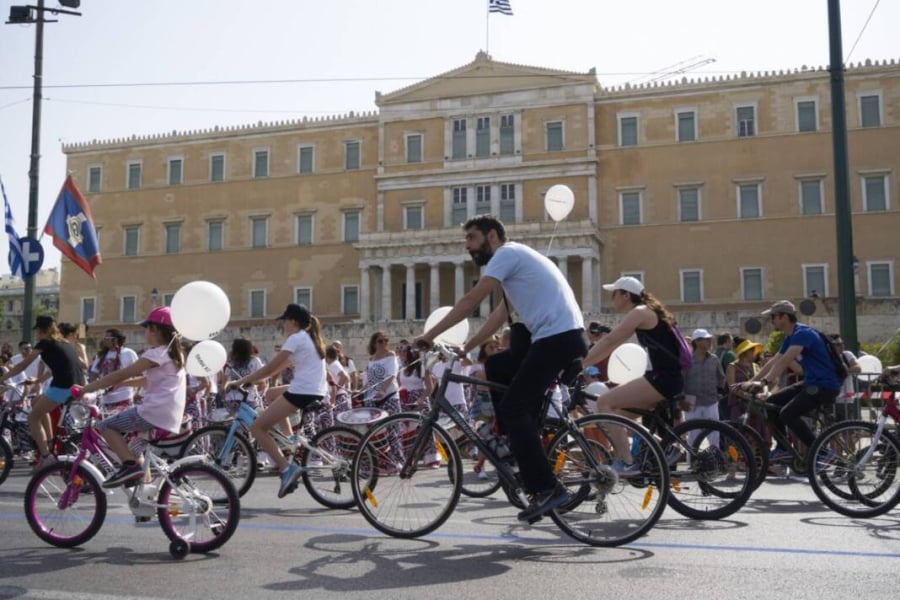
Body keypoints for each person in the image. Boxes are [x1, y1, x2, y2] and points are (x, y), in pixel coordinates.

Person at [416, 214, 586, 522]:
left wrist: (429, 336)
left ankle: (548, 488)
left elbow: (470, 300)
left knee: (513, 408)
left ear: (492, 235)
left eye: (472, 238)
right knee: (495, 364)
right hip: (557, 338)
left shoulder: (507, 254)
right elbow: (497, 316)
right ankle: (516, 443)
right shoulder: (515, 261)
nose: (468, 246)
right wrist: (466, 348)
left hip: (557, 339)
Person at [70, 307, 186, 487]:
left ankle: (130, 468)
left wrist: (85, 388)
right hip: (168, 414)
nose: (145, 333)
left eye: (146, 329)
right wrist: (123, 384)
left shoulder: (156, 353)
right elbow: (148, 380)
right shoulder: (171, 355)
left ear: (154, 330)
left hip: (153, 412)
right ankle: (144, 496)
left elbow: (120, 374)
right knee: (134, 451)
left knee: (105, 425)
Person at [224, 304, 328, 498]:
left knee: (256, 428)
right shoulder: (309, 339)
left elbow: (270, 366)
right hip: (314, 390)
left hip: (302, 392)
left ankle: (286, 468)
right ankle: (289, 442)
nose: (283, 325)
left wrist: (240, 381)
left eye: (285, 321)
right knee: (271, 394)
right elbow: (273, 371)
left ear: (293, 321)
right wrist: (253, 379)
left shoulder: (295, 338)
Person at [581, 276, 685, 470]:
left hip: (662, 379)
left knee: (604, 402)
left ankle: (627, 463)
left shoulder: (639, 312)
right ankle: (667, 447)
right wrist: (587, 360)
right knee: (617, 416)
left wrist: (582, 362)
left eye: (614, 294)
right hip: (666, 378)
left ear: (626, 295)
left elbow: (611, 341)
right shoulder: (648, 311)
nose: (612, 298)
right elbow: (612, 343)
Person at [739, 300, 842, 462]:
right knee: (772, 403)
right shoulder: (790, 336)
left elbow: (785, 360)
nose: (771, 320)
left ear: (784, 317)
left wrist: (764, 383)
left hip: (824, 385)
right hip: (812, 383)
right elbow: (774, 361)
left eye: (773, 317)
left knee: (788, 413)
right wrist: (749, 382)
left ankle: (822, 452)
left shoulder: (803, 333)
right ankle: (783, 448)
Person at [0, 316, 84, 470]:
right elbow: (56, 368)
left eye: (37, 331)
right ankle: (50, 442)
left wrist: (3, 377)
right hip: (76, 385)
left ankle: (46, 456)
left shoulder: (45, 343)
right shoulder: (63, 343)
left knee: (33, 417)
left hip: (63, 386)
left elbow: (22, 366)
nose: (36, 334)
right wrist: (38, 380)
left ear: (41, 330)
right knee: (35, 403)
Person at [682, 329, 726, 446]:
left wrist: (720, 392)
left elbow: (721, 377)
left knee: (714, 434)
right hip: (692, 403)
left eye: (709, 339)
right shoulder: (687, 360)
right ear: (697, 342)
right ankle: (692, 461)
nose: (709, 342)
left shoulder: (714, 359)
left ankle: (716, 461)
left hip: (711, 401)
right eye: (706, 339)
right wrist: (681, 399)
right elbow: (681, 380)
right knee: (693, 436)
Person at [88, 328, 139, 415]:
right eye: (104, 338)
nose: (104, 340)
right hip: (105, 400)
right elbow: (93, 375)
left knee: (120, 426)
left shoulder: (129, 353)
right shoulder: (101, 356)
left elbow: (138, 373)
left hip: (124, 398)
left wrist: (137, 392)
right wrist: (94, 391)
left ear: (115, 340)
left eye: (107, 338)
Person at [830, 334, 862, 421]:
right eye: (838, 344)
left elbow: (858, 368)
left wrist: (842, 372)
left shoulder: (846, 355)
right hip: (829, 397)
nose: (841, 346)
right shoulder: (826, 357)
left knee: (847, 428)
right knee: (830, 430)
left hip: (846, 398)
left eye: (842, 343)